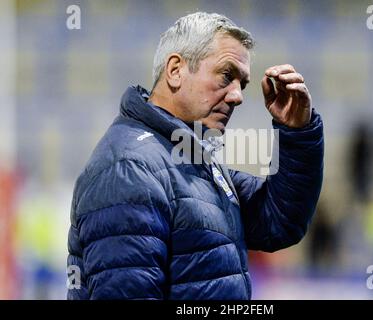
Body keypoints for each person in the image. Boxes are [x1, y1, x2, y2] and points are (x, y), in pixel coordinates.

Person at [67, 12, 324, 300]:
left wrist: (298, 132)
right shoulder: (130, 167)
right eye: (227, 76)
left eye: (242, 84)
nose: (237, 96)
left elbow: (278, 221)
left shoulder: (187, 157)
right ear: (175, 70)